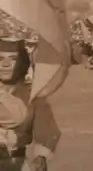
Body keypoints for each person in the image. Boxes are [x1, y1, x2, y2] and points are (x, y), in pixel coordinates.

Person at [0, 38, 61, 171]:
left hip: (17, 162)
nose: (5, 64)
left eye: (12, 59)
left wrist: (41, 155)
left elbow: (46, 126)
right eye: (0, 59)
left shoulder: (31, 94)